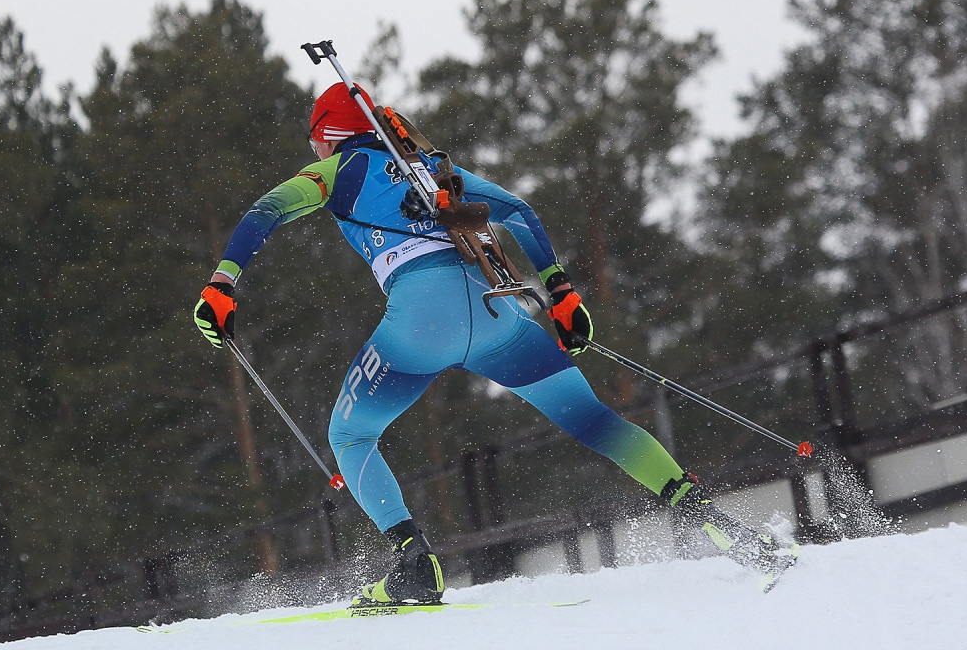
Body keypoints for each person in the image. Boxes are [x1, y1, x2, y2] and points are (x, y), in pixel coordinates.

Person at [193, 82, 791, 605]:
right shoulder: (432, 167)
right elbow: (518, 211)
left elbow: (263, 212)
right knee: (591, 419)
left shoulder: (334, 171)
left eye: (314, 140)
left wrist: (223, 285)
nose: (313, 152)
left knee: (350, 434)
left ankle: (413, 565)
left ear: (331, 135)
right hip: (496, 309)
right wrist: (559, 292)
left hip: (423, 319)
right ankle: (707, 519)